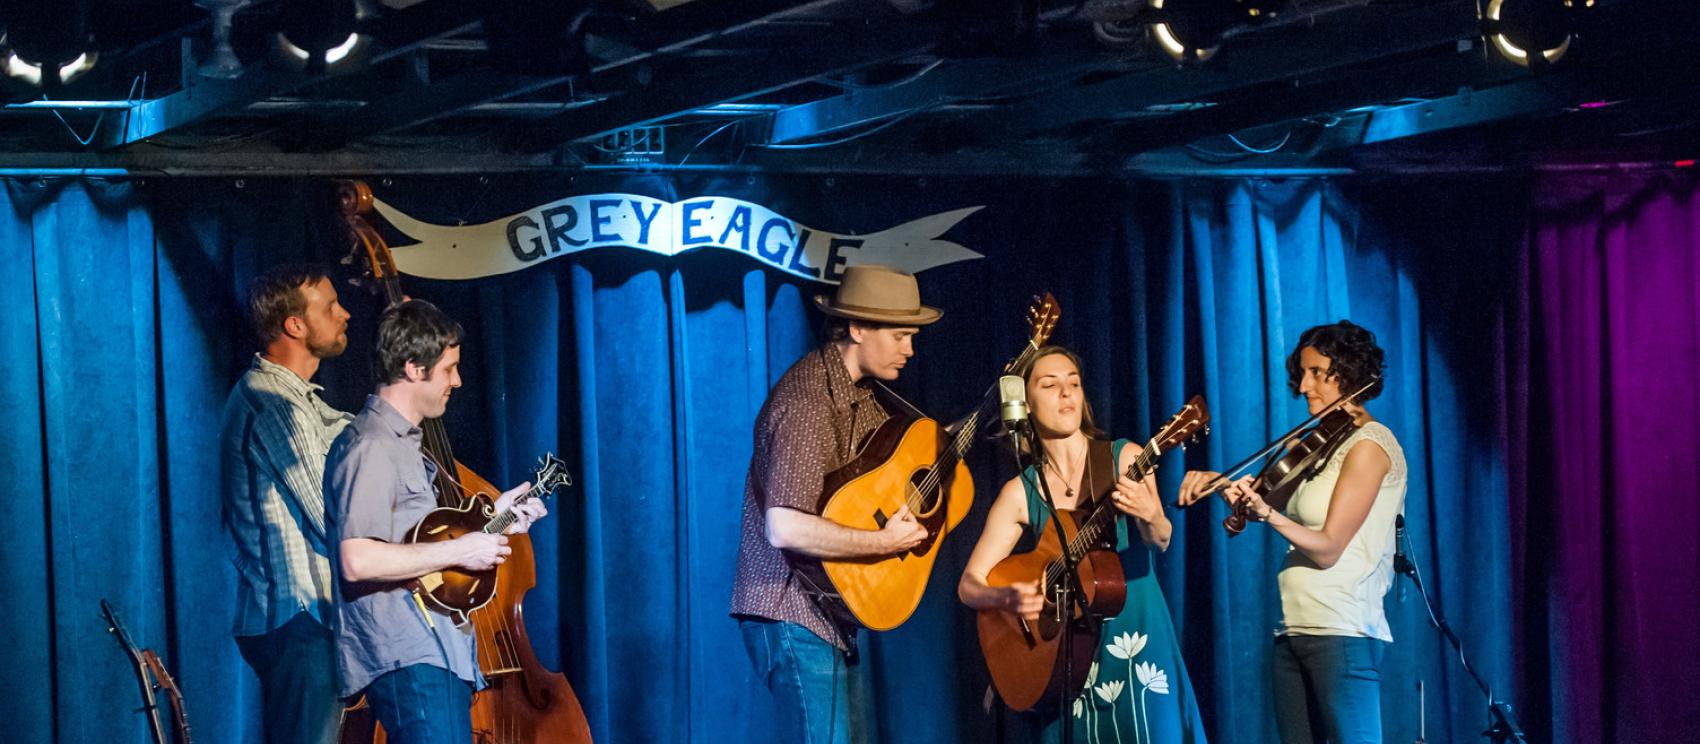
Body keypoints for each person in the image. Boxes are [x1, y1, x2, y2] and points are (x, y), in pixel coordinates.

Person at [730, 265, 940, 744]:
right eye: (901, 335)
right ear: (858, 328)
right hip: (791, 610)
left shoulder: (864, 400)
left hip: (826, 614)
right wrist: (883, 541)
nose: (911, 349)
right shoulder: (807, 402)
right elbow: (783, 527)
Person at [324, 299, 547, 744]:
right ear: (412, 368)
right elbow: (356, 558)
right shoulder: (370, 446)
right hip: (408, 655)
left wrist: (498, 519)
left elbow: (419, 551)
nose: (457, 381)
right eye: (448, 369)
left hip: (437, 652)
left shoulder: (406, 446)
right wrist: (463, 549)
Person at [960, 345, 1207, 743]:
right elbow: (970, 584)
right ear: (1025, 404)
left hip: (1135, 635)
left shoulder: (1123, 457)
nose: (1066, 393)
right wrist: (1006, 597)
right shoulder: (1020, 492)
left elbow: (1160, 540)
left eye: (1073, 384)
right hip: (1062, 659)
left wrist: (1150, 514)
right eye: (1050, 384)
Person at [1178, 320, 1405, 744]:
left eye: (1317, 372)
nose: (1303, 386)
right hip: (1292, 631)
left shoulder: (1370, 445)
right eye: (1302, 373)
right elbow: (1255, 505)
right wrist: (1222, 483)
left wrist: (1269, 514)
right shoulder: (1315, 444)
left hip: (1342, 632)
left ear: (1351, 372)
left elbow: (1329, 548)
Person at [219, 264, 353, 744]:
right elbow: (330, 514)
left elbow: (351, 430)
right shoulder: (272, 401)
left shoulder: (303, 402)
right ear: (294, 325)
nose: (346, 314)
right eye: (330, 307)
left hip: (306, 619)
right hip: (297, 615)